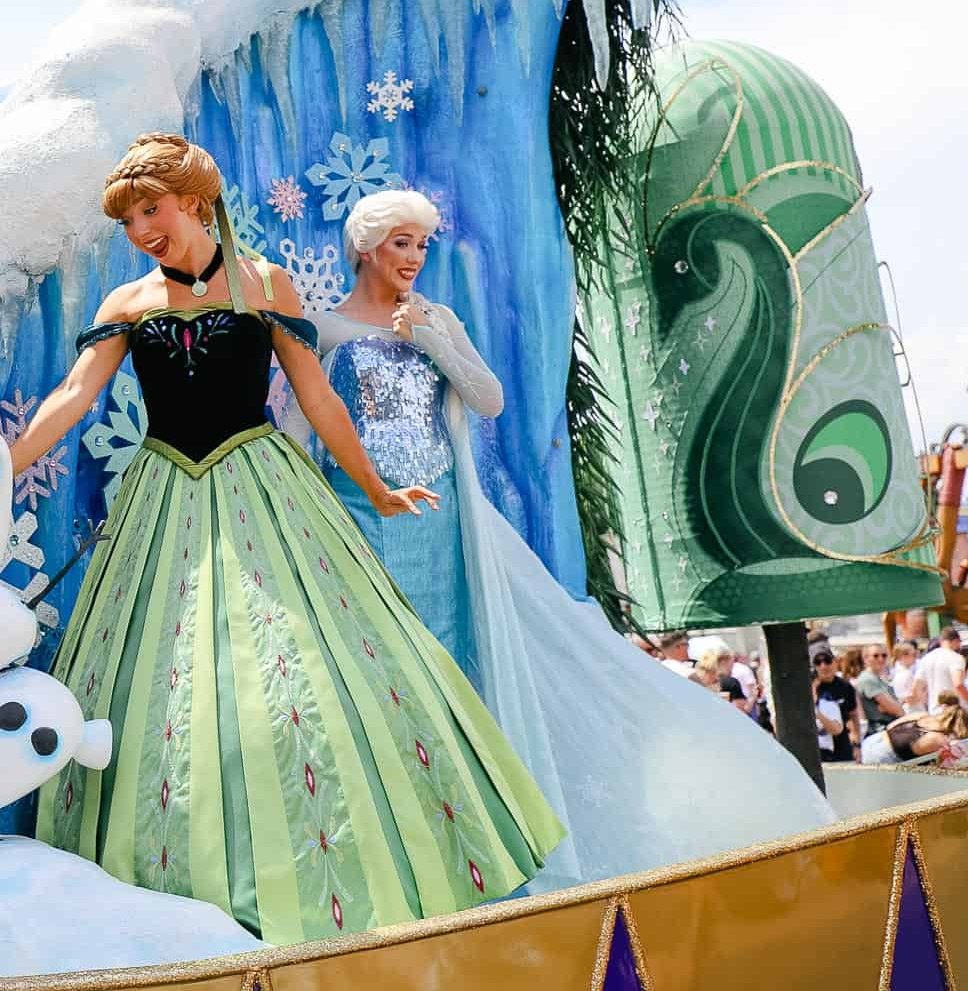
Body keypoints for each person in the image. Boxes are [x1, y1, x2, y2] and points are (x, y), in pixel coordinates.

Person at [19, 135, 563, 944]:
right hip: (164, 493)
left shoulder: (266, 283)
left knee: (302, 674)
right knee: (164, 684)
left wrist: (375, 487)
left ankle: (344, 874)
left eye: (151, 210)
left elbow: (318, 399)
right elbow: (71, 396)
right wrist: (2, 467)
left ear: (194, 203)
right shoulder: (126, 305)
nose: (140, 229)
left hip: (263, 490)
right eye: (130, 219)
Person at [296, 186, 833, 891]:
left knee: (453, 665)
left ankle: (467, 838)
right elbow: (316, 427)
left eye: (423, 244)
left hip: (441, 527)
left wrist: (426, 337)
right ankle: (393, 840)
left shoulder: (435, 316)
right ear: (367, 248)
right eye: (402, 244)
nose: (415, 258)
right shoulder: (324, 328)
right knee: (378, 670)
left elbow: (488, 398)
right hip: (362, 518)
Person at [860, 693, 968, 765]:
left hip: (873, 740)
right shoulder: (937, 738)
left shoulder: (922, 715)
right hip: (884, 756)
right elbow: (923, 760)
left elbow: (891, 726)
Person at [811, 649, 859, 762]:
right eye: (818, 662)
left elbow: (853, 714)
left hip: (841, 742)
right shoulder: (812, 687)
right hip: (819, 745)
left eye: (827, 661)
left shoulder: (845, 686)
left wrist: (857, 744)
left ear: (835, 662)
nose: (823, 666)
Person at [915, 627, 966, 713]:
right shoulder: (956, 657)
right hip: (955, 713)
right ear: (956, 640)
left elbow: (916, 688)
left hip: (934, 712)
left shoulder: (926, 658)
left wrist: (929, 704)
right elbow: (958, 684)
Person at [855, 644, 903, 736]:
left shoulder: (878, 678)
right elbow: (896, 709)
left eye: (884, 655)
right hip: (880, 731)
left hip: (888, 728)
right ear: (865, 658)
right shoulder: (868, 679)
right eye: (876, 656)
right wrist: (892, 706)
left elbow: (893, 707)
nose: (881, 659)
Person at [890, 640, 927, 712]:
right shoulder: (906, 674)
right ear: (903, 656)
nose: (915, 657)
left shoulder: (901, 672)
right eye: (913, 655)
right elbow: (909, 699)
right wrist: (924, 692)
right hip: (912, 711)